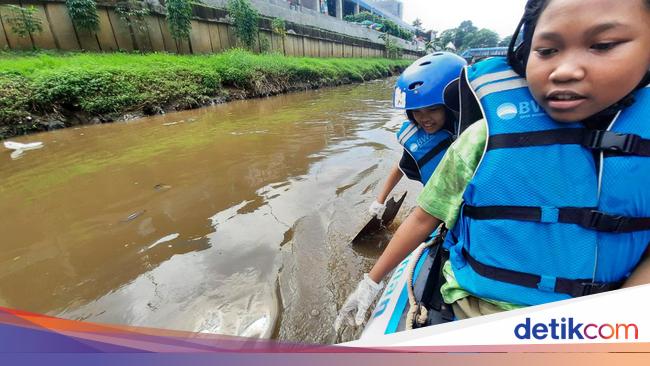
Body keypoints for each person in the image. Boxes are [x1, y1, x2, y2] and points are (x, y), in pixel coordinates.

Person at [335, 0, 650, 330]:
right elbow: (416, 200)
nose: (567, 69)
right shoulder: (480, 138)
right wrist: (370, 276)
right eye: (547, 50)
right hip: (476, 308)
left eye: (602, 45)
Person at [368, 52, 467, 219]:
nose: (425, 119)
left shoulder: (474, 131)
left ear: (450, 106)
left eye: (433, 109)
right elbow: (400, 167)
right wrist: (379, 200)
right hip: (441, 209)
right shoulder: (417, 139)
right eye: (417, 112)